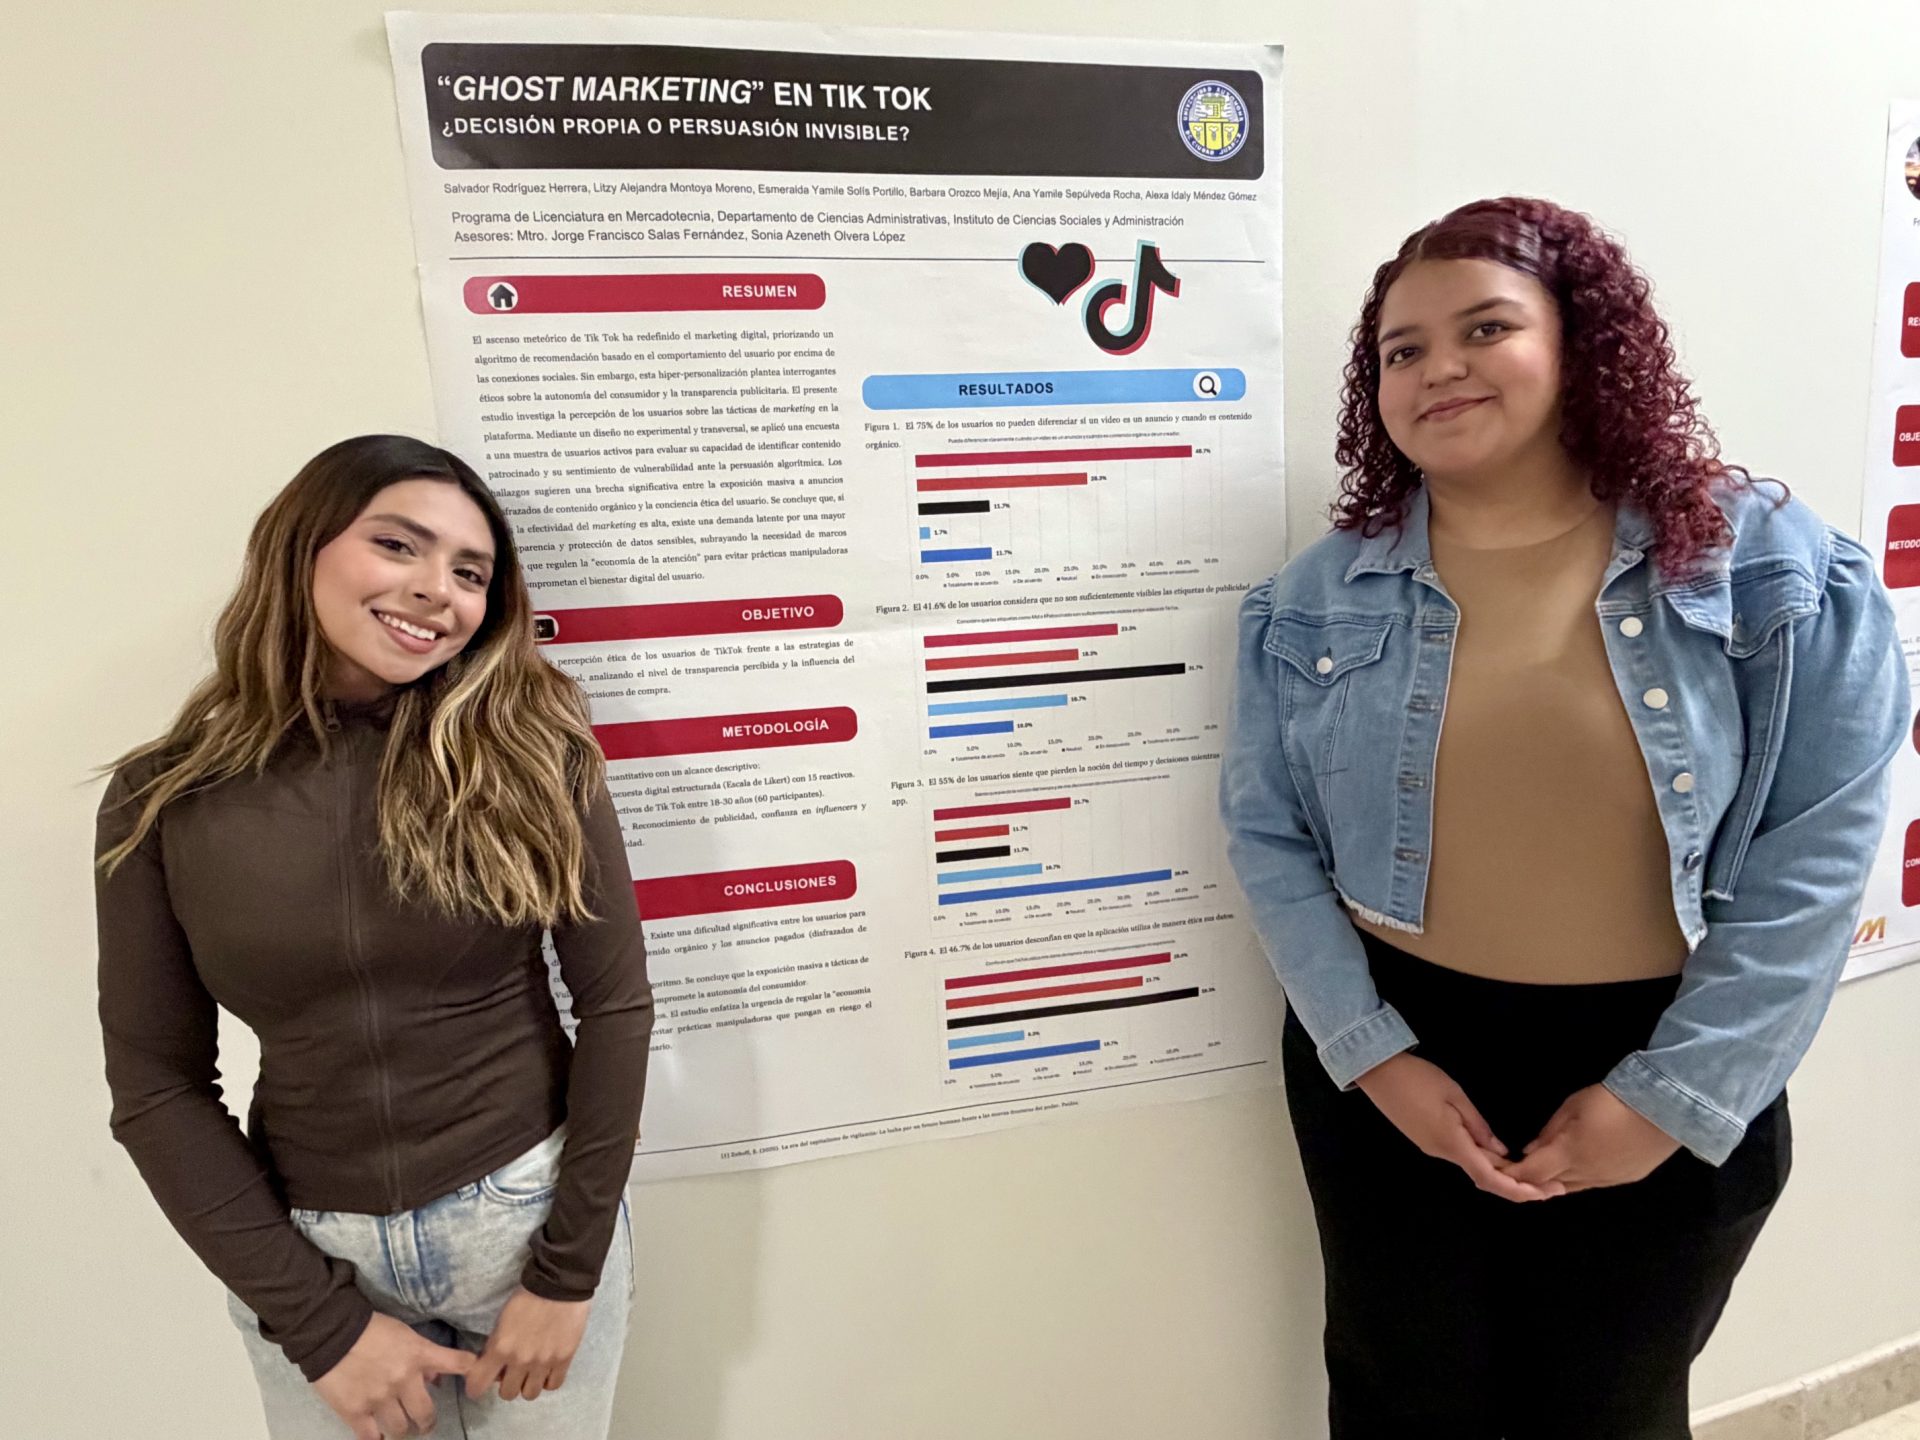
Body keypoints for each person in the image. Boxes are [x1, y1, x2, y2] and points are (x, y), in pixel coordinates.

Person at [1220, 197, 1907, 1439]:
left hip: (1671, 1045)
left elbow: (1815, 862)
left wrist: (1668, 1101)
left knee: (1608, 1412)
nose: (1440, 367)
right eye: (1403, 350)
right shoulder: (1313, 600)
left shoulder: (1769, 566)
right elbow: (1268, 837)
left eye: (1486, 328)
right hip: (1398, 1052)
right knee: (1396, 1401)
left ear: (1586, 341)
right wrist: (1373, 1059)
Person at [94, 435, 653, 1439]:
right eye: (399, 545)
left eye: (471, 573)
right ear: (301, 547)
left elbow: (616, 1005)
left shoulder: (536, 752)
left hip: (528, 1227)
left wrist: (568, 1275)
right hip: (308, 1256)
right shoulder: (164, 798)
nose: (439, 589)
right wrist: (319, 1327)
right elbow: (156, 1086)